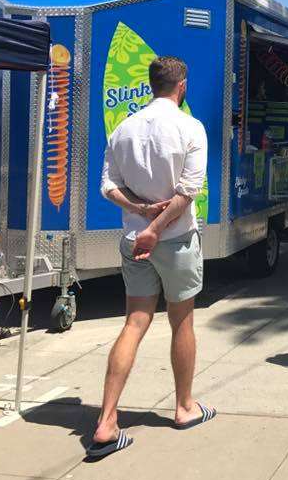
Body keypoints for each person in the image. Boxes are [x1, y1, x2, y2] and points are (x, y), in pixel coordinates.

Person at [91, 56, 213, 459]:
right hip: (175, 240)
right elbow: (187, 192)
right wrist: (156, 228)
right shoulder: (190, 127)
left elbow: (108, 186)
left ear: (151, 85)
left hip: (133, 239)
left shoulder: (123, 129)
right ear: (182, 86)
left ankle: (106, 421)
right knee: (182, 321)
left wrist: (139, 211)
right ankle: (184, 407)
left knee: (134, 322)